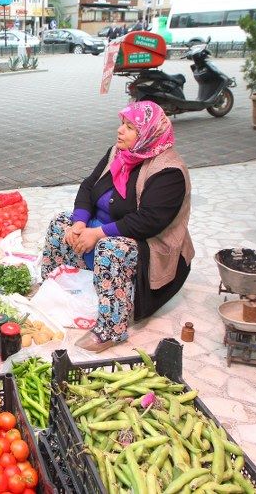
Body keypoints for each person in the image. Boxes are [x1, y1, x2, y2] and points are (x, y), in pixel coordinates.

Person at [40, 101, 194, 352]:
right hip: (105, 225)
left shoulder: (168, 171)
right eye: (122, 124)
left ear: (148, 134)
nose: (120, 131)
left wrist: (97, 233)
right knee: (61, 225)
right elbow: (89, 186)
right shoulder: (118, 153)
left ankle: (110, 329)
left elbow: (148, 222)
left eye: (130, 127)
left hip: (149, 243)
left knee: (110, 250)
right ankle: (53, 286)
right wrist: (80, 223)